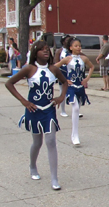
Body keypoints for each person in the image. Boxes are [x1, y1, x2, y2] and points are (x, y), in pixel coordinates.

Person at [5, 40, 68, 191]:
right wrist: (24, 101)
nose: (46, 51)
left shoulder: (54, 69)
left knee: (51, 141)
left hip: (49, 110)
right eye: (42, 49)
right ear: (35, 53)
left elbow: (64, 82)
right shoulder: (29, 68)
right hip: (34, 110)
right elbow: (9, 83)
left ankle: (54, 178)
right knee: (37, 142)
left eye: (47, 49)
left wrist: (61, 97)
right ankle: (32, 166)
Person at [59, 38, 94, 146]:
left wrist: (87, 78)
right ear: (71, 48)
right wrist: (64, 79)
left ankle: (75, 134)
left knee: (77, 107)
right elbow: (55, 67)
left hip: (80, 87)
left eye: (79, 46)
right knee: (76, 108)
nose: (78, 48)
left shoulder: (84, 58)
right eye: (76, 46)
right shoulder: (67, 59)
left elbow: (92, 67)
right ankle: (75, 135)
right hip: (71, 87)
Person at [54, 35, 73, 118]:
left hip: (71, 73)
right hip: (62, 72)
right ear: (63, 42)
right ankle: (63, 111)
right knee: (63, 92)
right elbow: (56, 63)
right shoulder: (60, 51)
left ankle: (75, 110)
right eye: (66, 40)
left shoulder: (71, 50)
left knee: (74, 91)